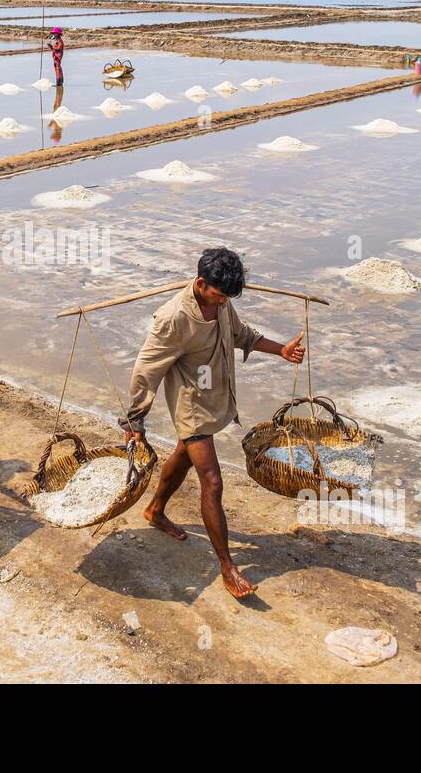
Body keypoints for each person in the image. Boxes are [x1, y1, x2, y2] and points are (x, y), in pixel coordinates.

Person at [121, 247, 305, 599]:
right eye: (220, 296)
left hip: (215, 395)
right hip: (191, 404)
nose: (223, 303)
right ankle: (228, 567)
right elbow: (145, 370)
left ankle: (155, 510)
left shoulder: (220, 302)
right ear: (201, 284)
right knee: (212, 480)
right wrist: (134, 420)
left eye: (228, 298)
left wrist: (281, 350)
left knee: (184, 454)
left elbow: (241, 335)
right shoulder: (172, 319)